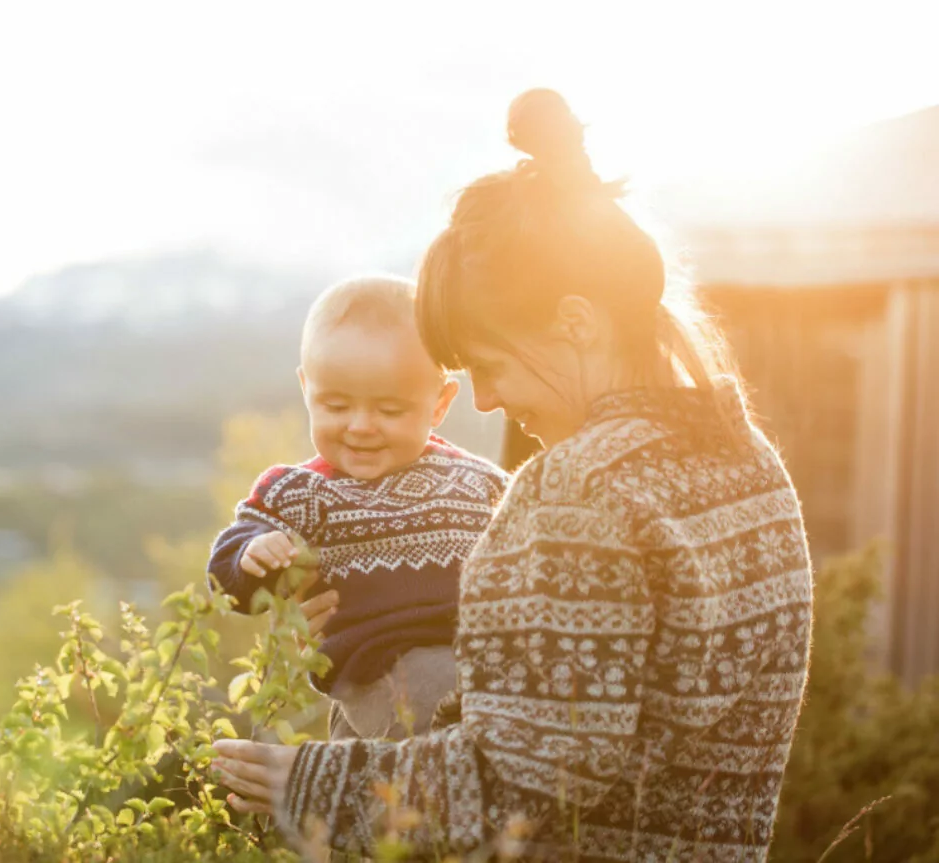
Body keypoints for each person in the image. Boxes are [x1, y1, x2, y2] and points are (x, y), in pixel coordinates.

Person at [213, 89, 813, 861]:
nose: (488, 398)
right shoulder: (753, 469)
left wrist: (305, 781)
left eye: (490, 365)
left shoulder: (581, 489)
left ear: (575, 322)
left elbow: (523, 779)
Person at [207, 275, 508, 741]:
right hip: (379, 668)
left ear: (439, 403)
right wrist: (254, 553)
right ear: (307, 388)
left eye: (390, 411)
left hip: (479, 656)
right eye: (336, 406)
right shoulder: (301, 492)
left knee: (378, 800)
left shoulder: (478, 481)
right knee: (460, 734)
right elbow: (229, 576)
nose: (361, 426)